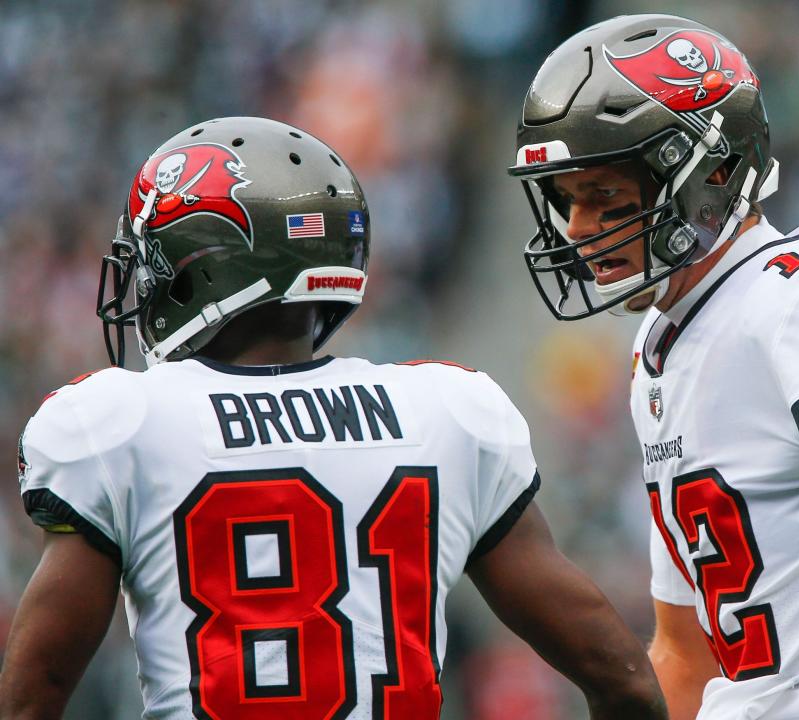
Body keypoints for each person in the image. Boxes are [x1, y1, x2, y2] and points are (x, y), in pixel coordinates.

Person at [0, 117, 665, 719]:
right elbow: (624, 680)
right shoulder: (446, 413)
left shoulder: (120, 423)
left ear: (198, 267)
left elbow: (37, 694)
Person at [508, 14, 799, 720]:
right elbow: (685, 653)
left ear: (713, 172)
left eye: (603, 194)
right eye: (567, 198)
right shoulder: (661, 341)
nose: (577, 228)